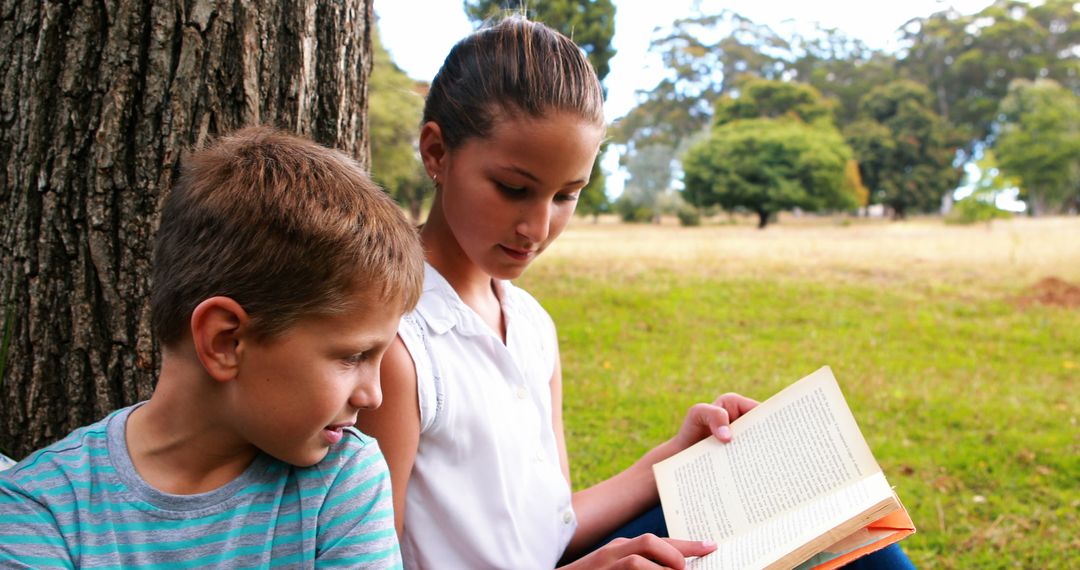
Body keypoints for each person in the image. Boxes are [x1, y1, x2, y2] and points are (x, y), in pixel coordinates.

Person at [357, 15, 917, 570]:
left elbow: (552, 526)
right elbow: (370, 564)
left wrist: (677, 457)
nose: (537, 225)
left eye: (566, 195)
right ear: (436, 152)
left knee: (838, 524)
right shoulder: (398, 345)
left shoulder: (529, 324)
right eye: (513, 188)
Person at [0, 127, 425, 568]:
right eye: (352, 356)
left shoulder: (343, 480)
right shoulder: (42, 508)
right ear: (226, 341)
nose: (372, 395)